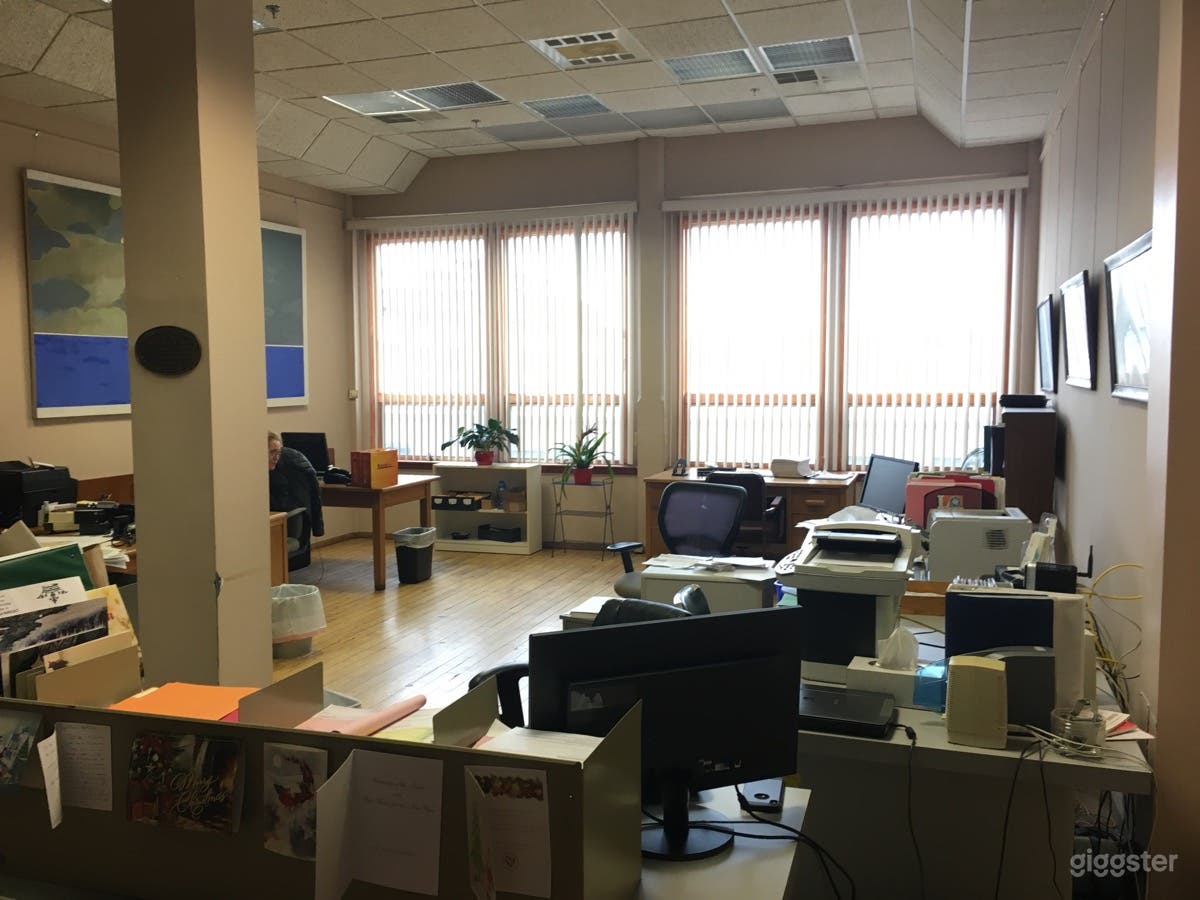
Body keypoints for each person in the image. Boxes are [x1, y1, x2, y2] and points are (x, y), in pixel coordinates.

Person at [268, 431, 324, 542]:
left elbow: (280, 507)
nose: (276, 458)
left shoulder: (280, 479)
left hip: (281, 524)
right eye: (273, 452)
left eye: (279, 453)